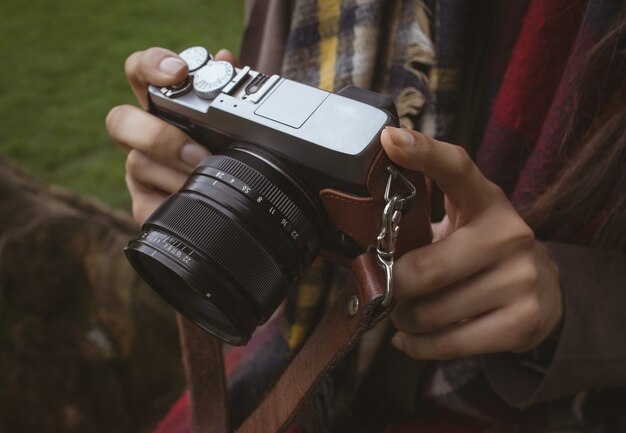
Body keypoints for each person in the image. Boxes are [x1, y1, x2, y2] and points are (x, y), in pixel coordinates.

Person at [106, 0, 626, 431]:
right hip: (287, 349)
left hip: (525, 406)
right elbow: (256, 105)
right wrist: (183, 168)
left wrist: (573, 303)